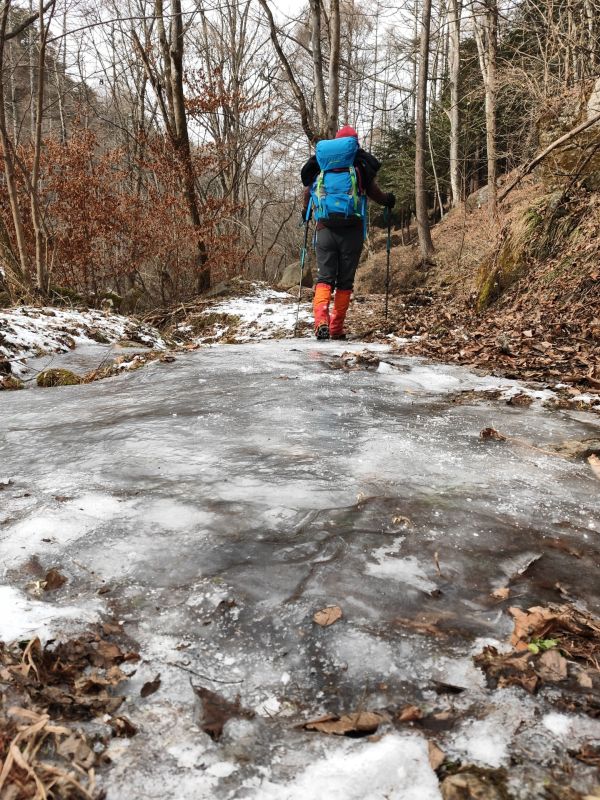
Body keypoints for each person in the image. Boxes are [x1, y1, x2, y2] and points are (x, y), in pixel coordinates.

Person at [301, 125, 395, 340]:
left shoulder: (321, 164)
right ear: (354, 143)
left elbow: (307, 190)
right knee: (345, 281)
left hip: (324, 228)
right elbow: (376, 194)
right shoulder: (361, 165)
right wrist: (389, 200)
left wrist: (305, 214)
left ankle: (320, 321)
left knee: (324, 278)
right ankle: (336, 328)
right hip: (351, 230)